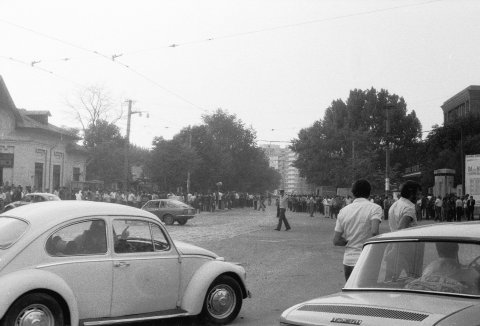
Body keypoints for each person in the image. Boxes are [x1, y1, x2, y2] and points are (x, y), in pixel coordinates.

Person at [333, 179, 383, 281]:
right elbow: (374, 231)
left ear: (353, 193)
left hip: (349, 260)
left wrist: (350, 241)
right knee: (367, 293)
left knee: (351, 293)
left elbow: (336, 240)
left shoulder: (343, 211)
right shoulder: (375, 208)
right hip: (368, 259)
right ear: (369, 192)